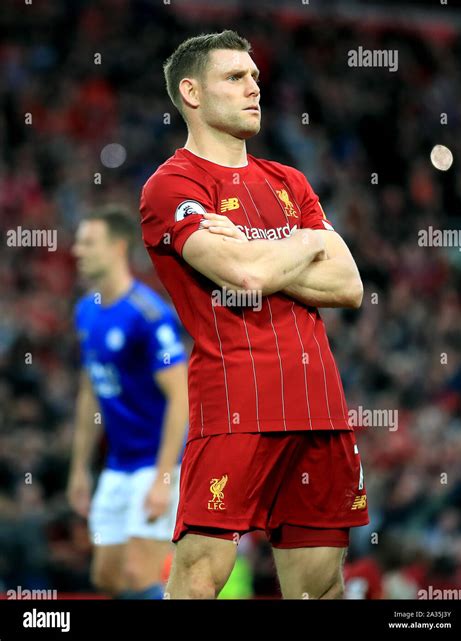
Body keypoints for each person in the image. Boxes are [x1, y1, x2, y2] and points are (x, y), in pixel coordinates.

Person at [140, 30, 368, 600]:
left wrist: (254, 247)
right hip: (236, 401)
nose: (253, 89)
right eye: (235, 78)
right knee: (198, 577)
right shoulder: (172, 185)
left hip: (320, 406)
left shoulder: (289, 181)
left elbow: (349, 285)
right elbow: (247, 278)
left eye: (255, 78)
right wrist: (301, 244)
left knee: (321, 590)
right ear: (191, 93)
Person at [67, 205, 188, 599]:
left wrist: (164, 476)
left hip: (156, 462)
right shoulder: (85, 312)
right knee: (107, 576)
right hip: (117, 464)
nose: (76, 250)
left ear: (118, 248)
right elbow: (91, 392)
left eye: (88, 243)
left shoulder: (149, 315)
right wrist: (81, 468)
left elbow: (181, 395)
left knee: (141, 573)